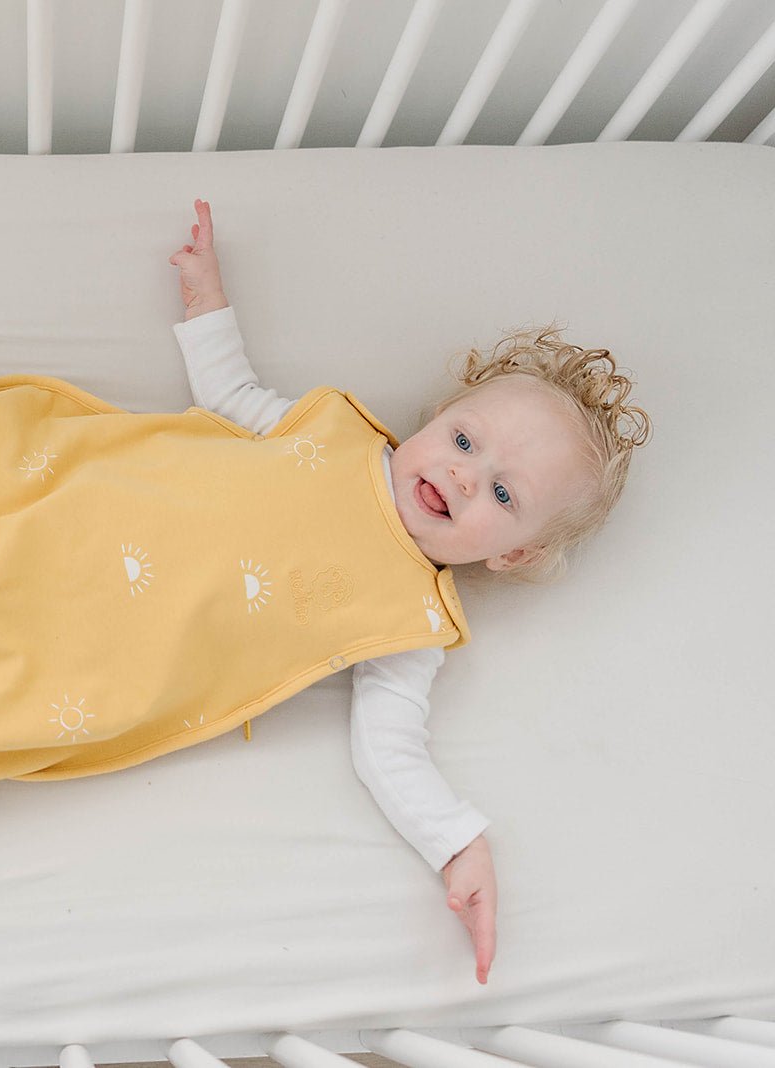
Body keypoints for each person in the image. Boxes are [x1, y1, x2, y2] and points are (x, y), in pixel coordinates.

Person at [167, 198, 652, 986]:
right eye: (464, 441)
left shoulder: (416, 619)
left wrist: (458, 844)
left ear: (513, 553)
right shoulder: (333, 435)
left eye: (501, 495)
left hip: (169, 626)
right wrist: (205, 297)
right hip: (138, 510)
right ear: (435, 419)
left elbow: (388, 746)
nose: (463, 476)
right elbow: (231, 396)